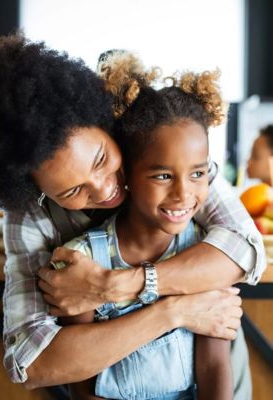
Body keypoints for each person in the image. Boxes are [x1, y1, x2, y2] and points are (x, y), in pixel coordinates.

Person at [0, 34, 264, 396]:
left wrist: (112, 286)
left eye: (101, 160)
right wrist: (173, 313)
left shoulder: (165, 153)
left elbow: (246, 249)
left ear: (106, 123)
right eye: (72, 191)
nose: (102, 188)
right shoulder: (31, 215)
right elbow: (32, 364)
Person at [52, 56, 233, 400]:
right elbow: (83, 382)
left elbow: (214, 367)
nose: (183, 194)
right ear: (127, 175)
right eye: (163, 175)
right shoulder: (82, 261)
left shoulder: (205, 256)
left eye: (197, 174)